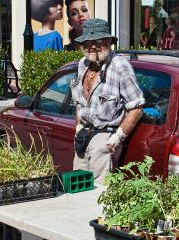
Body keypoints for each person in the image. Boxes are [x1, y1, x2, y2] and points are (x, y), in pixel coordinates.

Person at [71, 18, 145, 185]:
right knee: (77, 186)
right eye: (88, 42)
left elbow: (137, 106)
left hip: (104, 137)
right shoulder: (83, 64)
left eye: (99, 40)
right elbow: (80, 101)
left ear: (109, 41)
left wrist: (118, 137)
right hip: (83, 136)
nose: (93, 46)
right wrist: (78, 127)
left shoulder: (120, 66)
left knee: (98, 192)